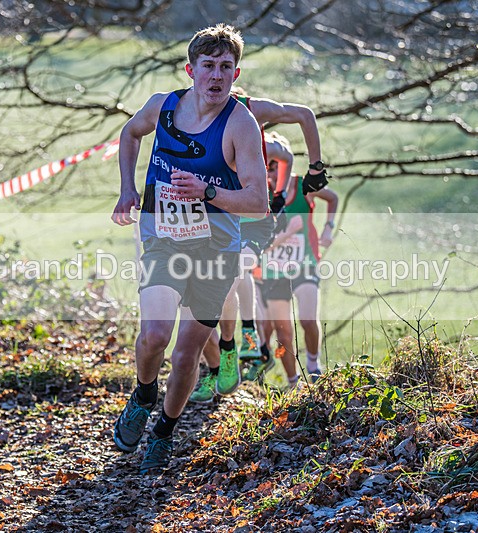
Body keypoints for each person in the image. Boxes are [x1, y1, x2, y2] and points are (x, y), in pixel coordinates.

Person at [110, 24, 267, 474]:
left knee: (185, 356)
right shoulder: (164, 107)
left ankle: (163, 431)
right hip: (163, 238)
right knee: (155, 336)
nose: (216, 76)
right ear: (191, 69)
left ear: (236, 74)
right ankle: (142, 396)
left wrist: (206, 191)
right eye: (208, 66)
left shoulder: (241, 124)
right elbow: (129, 134)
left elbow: (258, 202)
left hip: (217, 250)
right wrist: (127, 190)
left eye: (225, 68)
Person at [188, 90, 330, 402]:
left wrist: (287, 189)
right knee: (200, 296)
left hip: (255, 221)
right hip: (216, 219)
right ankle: (213, 365)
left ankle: (245, 337)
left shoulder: (255, 113)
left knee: (235, 272)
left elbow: (299, 127)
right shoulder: (193, 116)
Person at [259, 165, 338, 387]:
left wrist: (328, 228)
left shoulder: (303, 185)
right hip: (274, 270)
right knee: (283, 333)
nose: (271, 177)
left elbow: (333, 198)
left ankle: (313, 366)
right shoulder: (259, 191)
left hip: (305, 264)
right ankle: (294, 384)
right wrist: (288, 233)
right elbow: (259, 247)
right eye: (267, 171)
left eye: (275, 170)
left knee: (307, 318)